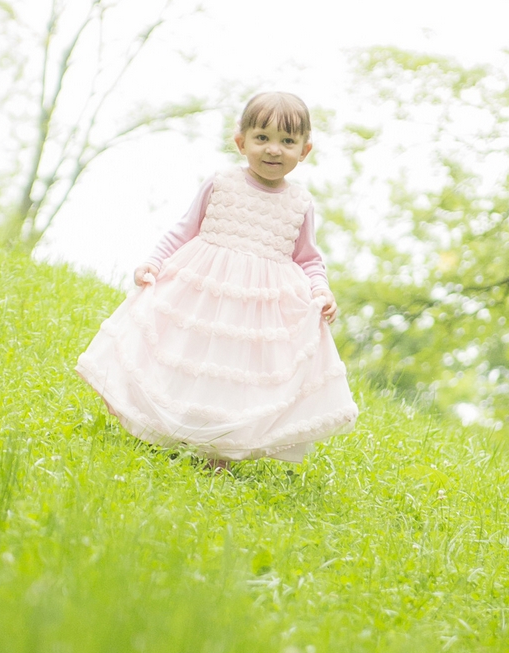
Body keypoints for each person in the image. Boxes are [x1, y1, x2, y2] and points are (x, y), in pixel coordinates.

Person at [76, 91, 358, 465]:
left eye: (287, 142)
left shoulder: (299, 203)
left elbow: (308, 257)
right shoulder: (221, 183)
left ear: (304, 150)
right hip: (204, 288)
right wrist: (153, 263)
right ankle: (161, 428)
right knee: (184, 357)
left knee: (235, 374)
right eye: (263, 138)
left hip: (258, 306)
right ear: (241, 142)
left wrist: (321, 290)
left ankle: (219, 450)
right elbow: (183, 230)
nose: (274, 150)